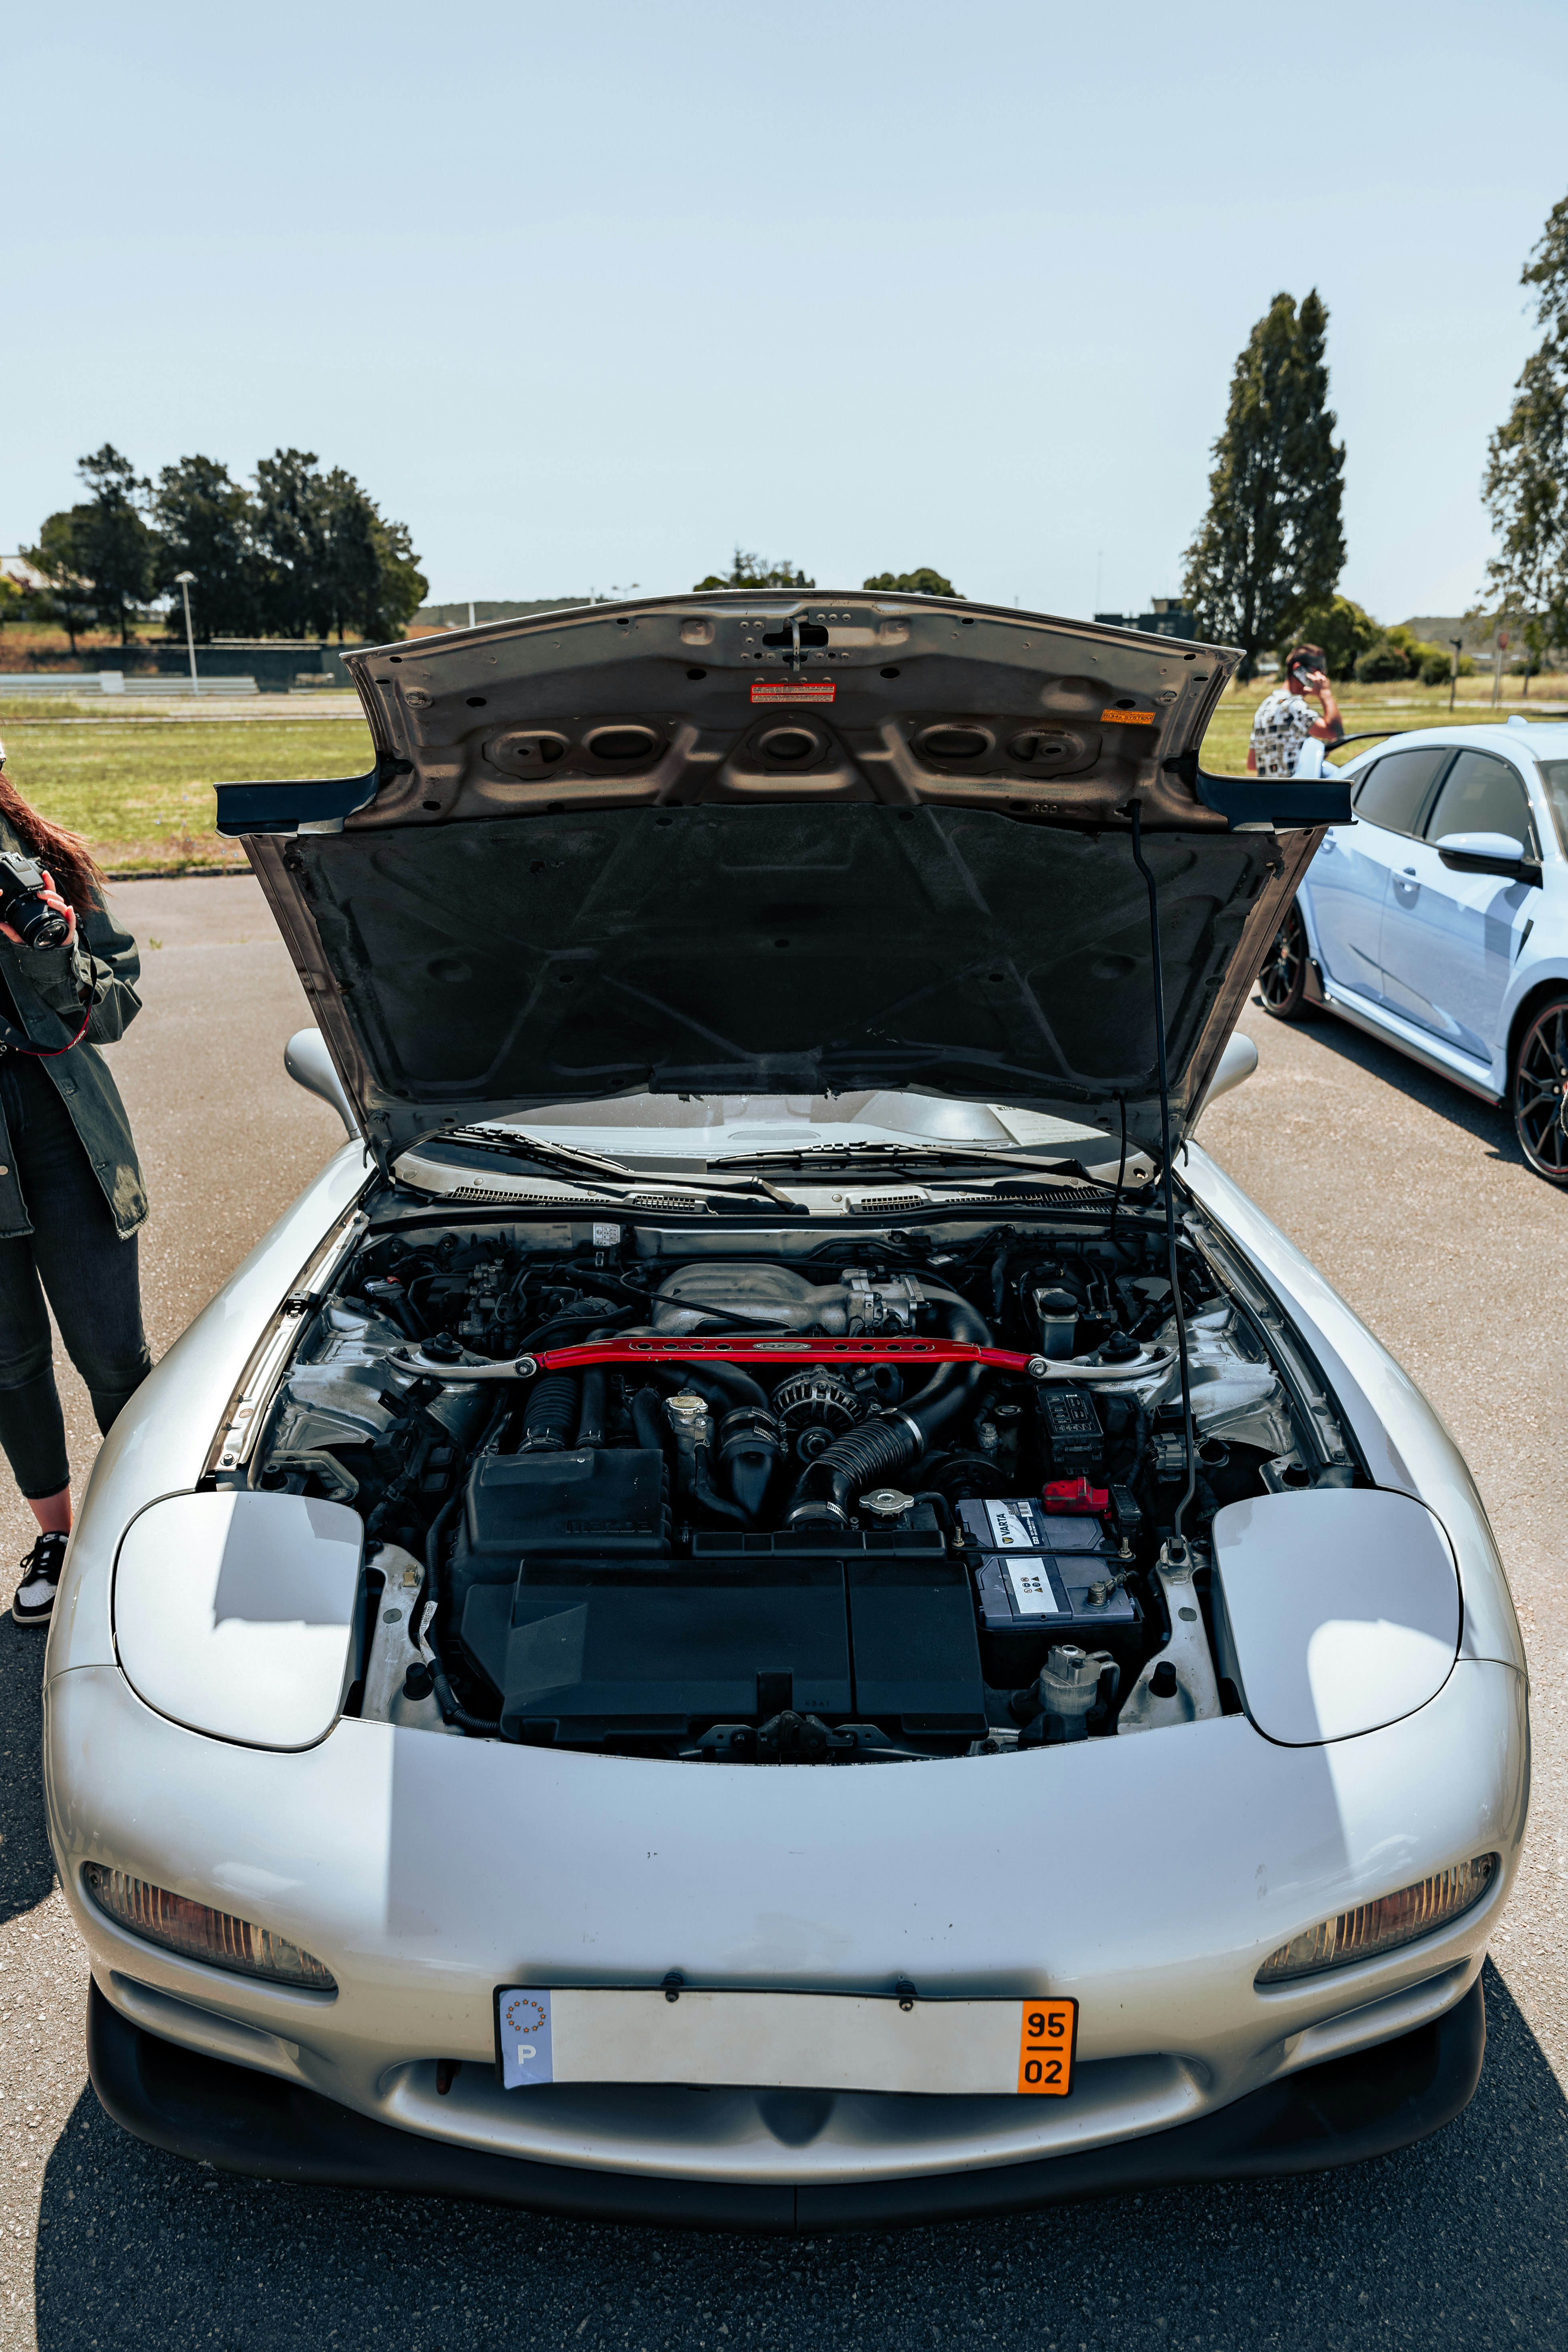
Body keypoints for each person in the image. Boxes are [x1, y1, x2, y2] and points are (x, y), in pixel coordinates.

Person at [0, 742, 151, 1626]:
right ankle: (56, 1536)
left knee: (112, 1353)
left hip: (67, 1133)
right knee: (10, 1362)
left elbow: (119, 1006)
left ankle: (139, 1522)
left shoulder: (46, 861)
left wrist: (51, 949)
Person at [1247, 644, 1344, 778]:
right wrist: (1325, 693)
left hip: (1268, 789)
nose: (1323, 676)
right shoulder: (1293, 706)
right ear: (1298, 668)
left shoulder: (1264, 707)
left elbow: (1252, 763)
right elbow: (1335, 733)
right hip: (1294, 789)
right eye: (1319, 669)